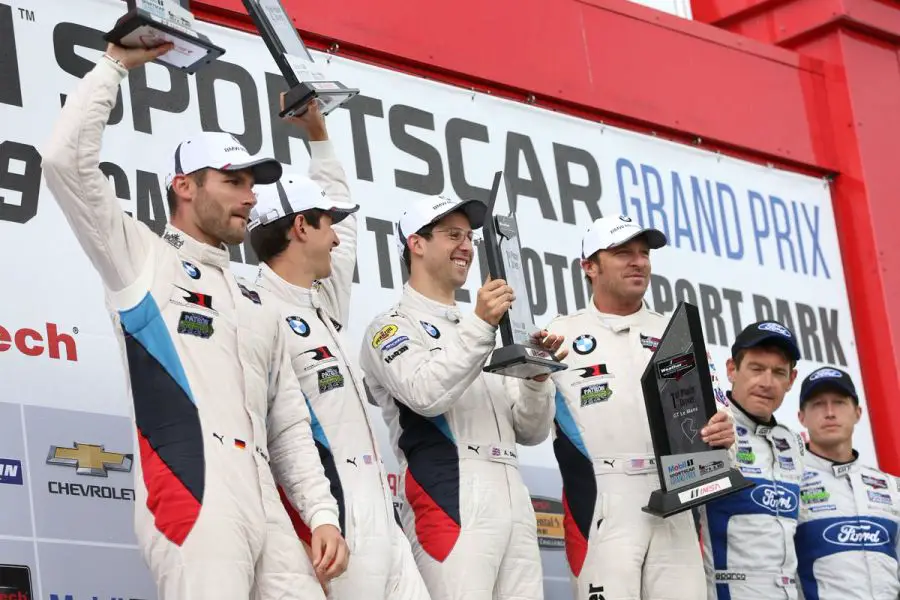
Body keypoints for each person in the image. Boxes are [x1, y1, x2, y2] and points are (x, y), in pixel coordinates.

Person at [41, 42, 348, 599]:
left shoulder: (255, 299)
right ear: (184, 186)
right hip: (194, 489)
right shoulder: (141, 259)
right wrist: (114, 64)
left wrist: (322, 513)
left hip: (268, 506)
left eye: (253, 184)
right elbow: (66, 164)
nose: (250, 197)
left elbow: (287, 425)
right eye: (233, 181)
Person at [246, 103, 430, 600]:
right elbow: (279, 436)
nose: (336, 236)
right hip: (334, 518)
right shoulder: (256, 311)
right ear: (300, 228)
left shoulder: (322, 299)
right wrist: (315, 518)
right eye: (326, 224)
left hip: (381, 511)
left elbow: (346, 234)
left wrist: (320, 138)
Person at [358, 194, 565, 600]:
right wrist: (481, 325)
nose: (467, 247)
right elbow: (426, 393)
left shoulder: (482, 329)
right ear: (416, 243)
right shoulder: (391, 328)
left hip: (515, 500)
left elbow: (530, 431)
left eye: (469, 236)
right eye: (453, 234)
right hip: (448, 496)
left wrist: (536, 379)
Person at [546, 214, 735, 600]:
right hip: (602, 499)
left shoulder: (677, 333)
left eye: (644, 253)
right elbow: (529, 426)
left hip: (678, 497)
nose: (639, 261)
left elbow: (717, 427)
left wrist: (723, 437)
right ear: (589, 266)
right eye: (622, 253)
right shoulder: (559, 333)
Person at [698, 321, 805, 600]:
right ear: (732, 369)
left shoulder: (792, 443)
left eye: (778, 372)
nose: (767, 383)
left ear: (791, 380)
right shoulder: (709, 424)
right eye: (756, 369)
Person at [794, 366, 900, 600]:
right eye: (818, 404)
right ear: (801, 417)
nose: (830, 412)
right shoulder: (789, 483)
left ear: (858, 412)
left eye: (840, 402)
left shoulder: (892, 488)